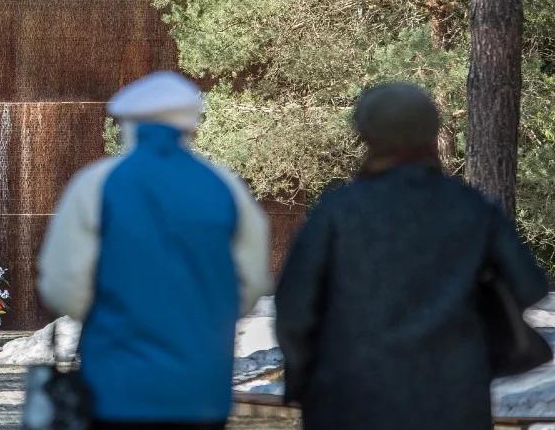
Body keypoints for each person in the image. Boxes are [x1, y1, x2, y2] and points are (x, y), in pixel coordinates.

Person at [275, 82, 549, 430]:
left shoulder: (336, 212)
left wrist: (304, 377)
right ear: (430, 132)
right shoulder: (472, 209)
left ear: (366, 134)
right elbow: (529, 285)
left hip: (347, 402)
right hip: (453, 403)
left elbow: (294, 309)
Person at [38, 71, 271, 429]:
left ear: (127, 124)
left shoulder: (94, 184)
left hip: (115, 385)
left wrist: (112, 316)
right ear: (191, 124)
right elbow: (252, 283)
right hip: (202, 390)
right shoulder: (227, 187)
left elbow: (62, 285)